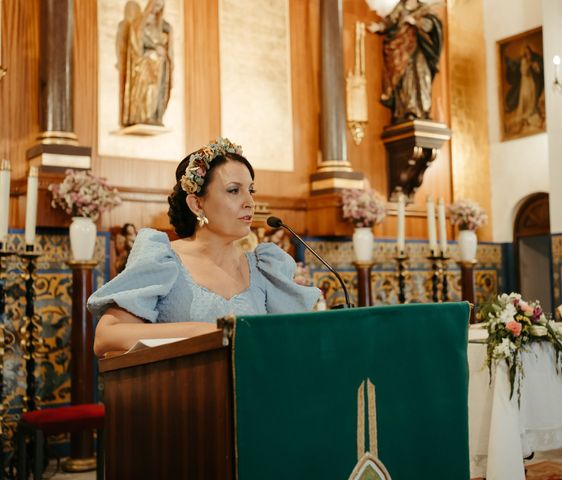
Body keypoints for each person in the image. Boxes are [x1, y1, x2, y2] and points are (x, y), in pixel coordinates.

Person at [89, 138, 321, 357]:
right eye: (233, 190)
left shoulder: (265, 267)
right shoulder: (162, 259)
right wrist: (201, 332)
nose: (249, 202)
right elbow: (106, 336)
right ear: (197, 203)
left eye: (250, 190)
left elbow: (291, 341)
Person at [369, 0, 443, 123]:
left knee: (420, 75)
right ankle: (406, 110)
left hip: (418, 48)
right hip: (401, 49)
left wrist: (416, 22)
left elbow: (432, 25)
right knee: (405, 78)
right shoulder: (400, 7)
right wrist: (379, 27)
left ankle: (421, 110)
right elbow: (390, 21)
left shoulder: (424, 9)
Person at [116, 0, 173, 127]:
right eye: (155, 4)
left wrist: (163, 53)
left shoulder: (164, 26)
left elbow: (168, 48)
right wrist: (152, 52)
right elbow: (135, 47)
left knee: (156, 92)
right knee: (145, 91)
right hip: (144, 66)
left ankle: (154, 116)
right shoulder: (139, 24)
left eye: (160, 6)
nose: (156, 8)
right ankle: (142, 116)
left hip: (159, 67)